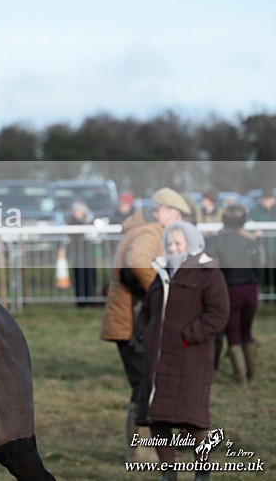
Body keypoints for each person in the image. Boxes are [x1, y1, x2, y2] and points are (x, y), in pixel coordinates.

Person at [100, 187, 192, 460]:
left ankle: (148, 446)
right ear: (161, 211)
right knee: (145, 386)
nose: (179, 220)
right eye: (176, 213)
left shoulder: (142, 230)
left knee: (145, 385)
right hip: (133, 325)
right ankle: (143, 450)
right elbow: (139, 262)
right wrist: (164, 290)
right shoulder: (150, 232)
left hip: (131, 322)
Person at [135, 222, 229, 480]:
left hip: (191, 357)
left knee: (193, 418)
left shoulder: (207, 272)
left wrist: (187, 337)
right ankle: (169, 472)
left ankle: (202, 471)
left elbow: (218, 314)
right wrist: (145, 332)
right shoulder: (162, 272)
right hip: (158, 358)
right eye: (169, 244)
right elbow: (146, 309)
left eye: (178, 243)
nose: (173, 248)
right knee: (158, 418)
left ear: (191, 244)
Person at [205, 203, 260, 384]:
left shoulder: (217, 240)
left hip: (230, 289)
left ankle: (241, 376)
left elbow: (208, 264)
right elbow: (259, 267)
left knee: (233, 332)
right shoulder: (251, 241)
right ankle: (252, 373)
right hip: (251, 288)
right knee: (247, 332)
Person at [65, 200, 97, 307]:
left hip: (88, 253)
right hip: (77, 253)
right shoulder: (71, 221)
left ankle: (91, 299)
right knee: (79, 276)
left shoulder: (90, 221)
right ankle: (80, 301)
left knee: (89, 276)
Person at [250, 188, 276, 292]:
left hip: (273, 247)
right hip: (262, 248)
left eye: (268, 199)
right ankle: (265, 295)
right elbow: (249, 223)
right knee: (264, 272)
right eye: (264, 199)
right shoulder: (255, 210)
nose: (266, 202)